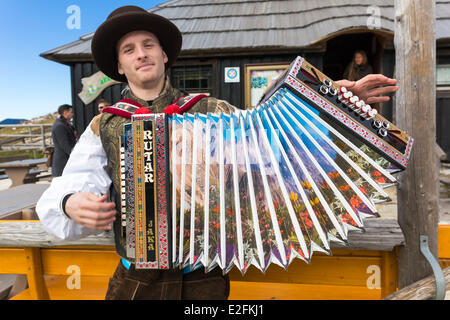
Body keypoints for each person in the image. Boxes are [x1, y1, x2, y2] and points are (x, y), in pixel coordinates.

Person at [36, 5, 399, 300]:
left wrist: (331, 101)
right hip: (134, 285)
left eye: (148, 44)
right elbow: (69, 185)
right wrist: (69, 203)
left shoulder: (211, 110)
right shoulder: (106, 126)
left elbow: (270, 141)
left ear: (164, 54)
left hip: (204, 282)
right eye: (128, 50)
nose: (141, 54)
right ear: (119, 66)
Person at [50, 104, 77, 177]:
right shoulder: (59, 126)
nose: (73, 114)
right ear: (65, 113)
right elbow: (65, 145)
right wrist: (77, 156)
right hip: (62, 163)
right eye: (71, 112)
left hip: (66, 161)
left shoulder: (64, 124)